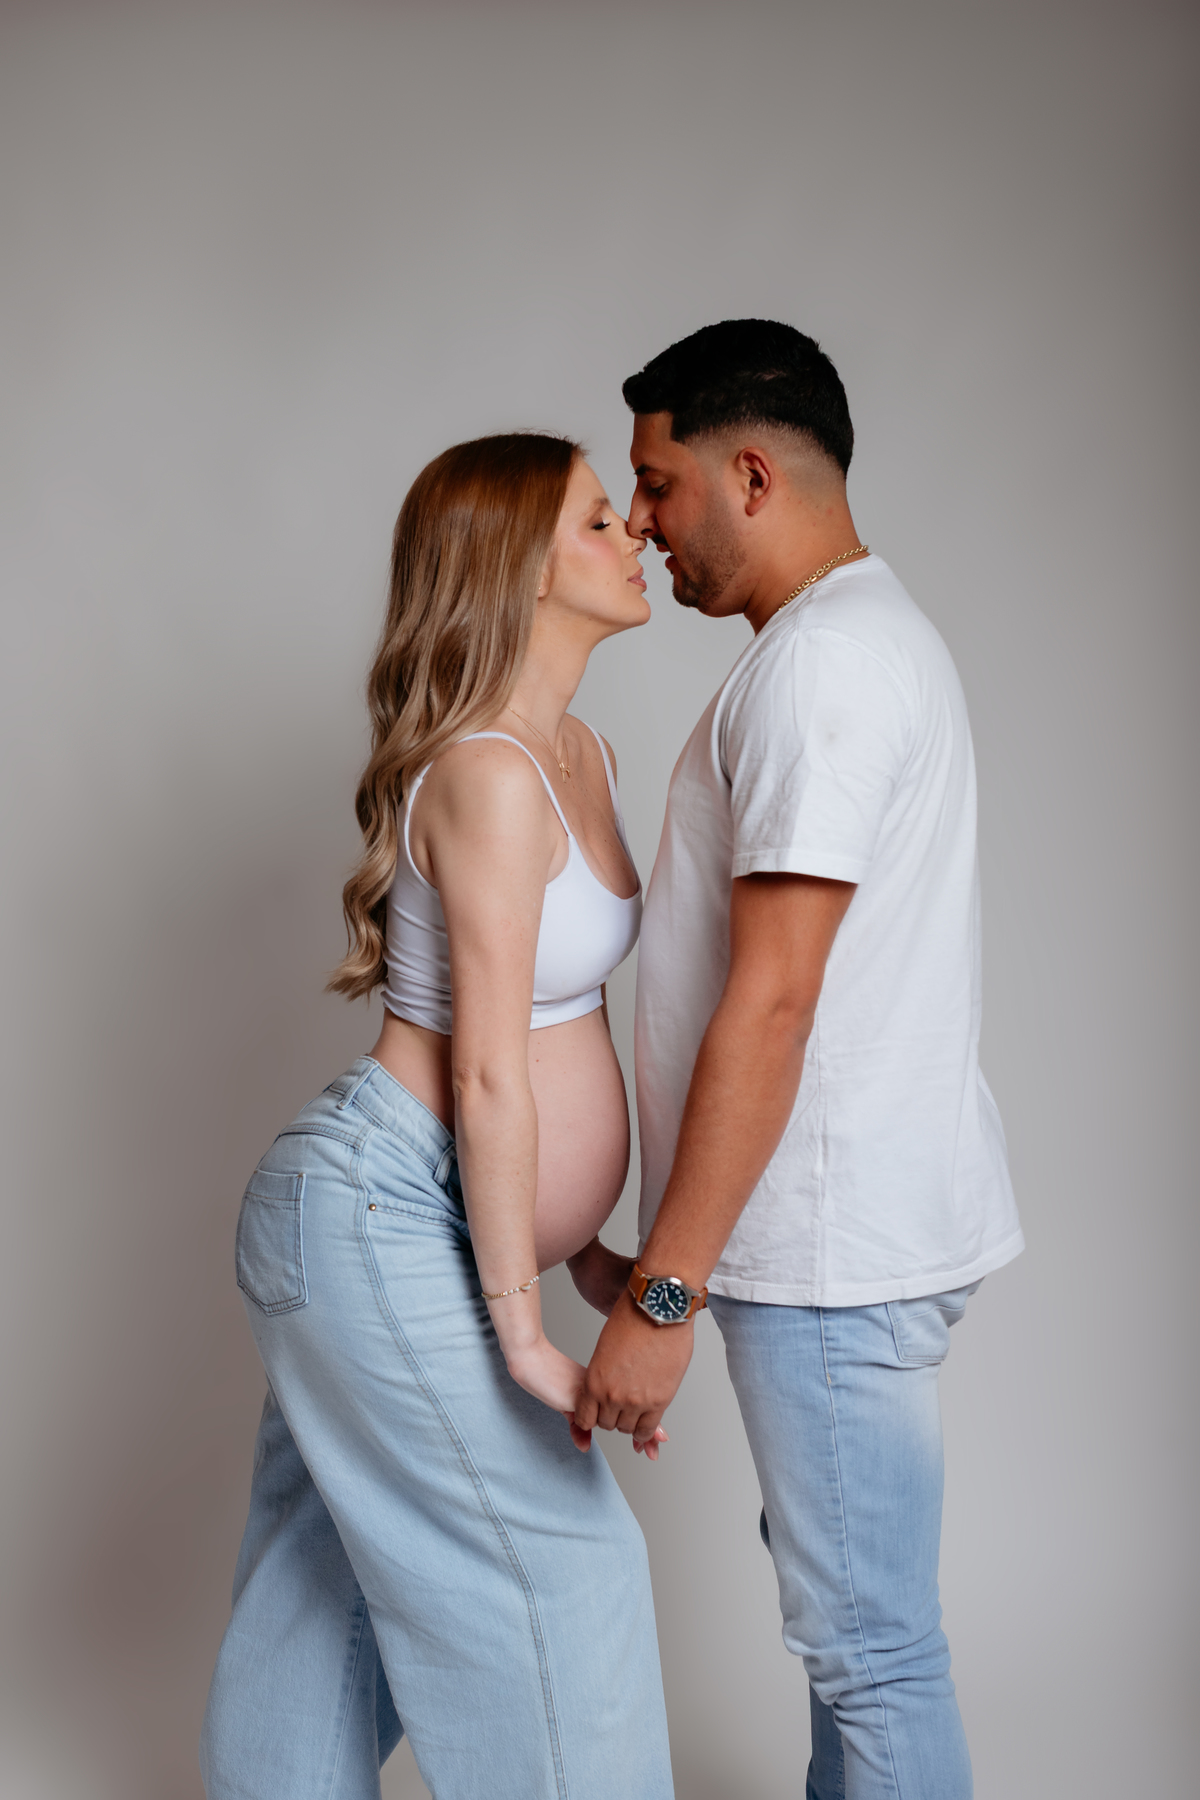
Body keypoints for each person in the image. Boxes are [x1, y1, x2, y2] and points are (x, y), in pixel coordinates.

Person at [575, 321, 1024, 1800]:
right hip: (847, 1235)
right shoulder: (860, 640)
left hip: (830, 1255)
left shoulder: (822, 669)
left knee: (871, 1655)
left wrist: (666, 1291)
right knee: (857, 1650)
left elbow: (773, 1005)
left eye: (658, 484)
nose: (642, 522)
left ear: (752, 474)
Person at [200, 433, 674, 1800]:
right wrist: (524, 1332)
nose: (636, 534)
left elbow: (564, 1025)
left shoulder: (582, 753)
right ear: (521, 564)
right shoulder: (486, 773)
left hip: (433, 1214)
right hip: (379, 1206)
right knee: (567, 1577)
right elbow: (486, 1073)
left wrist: (586, 1247)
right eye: (600, 519)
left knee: (321, 1602)